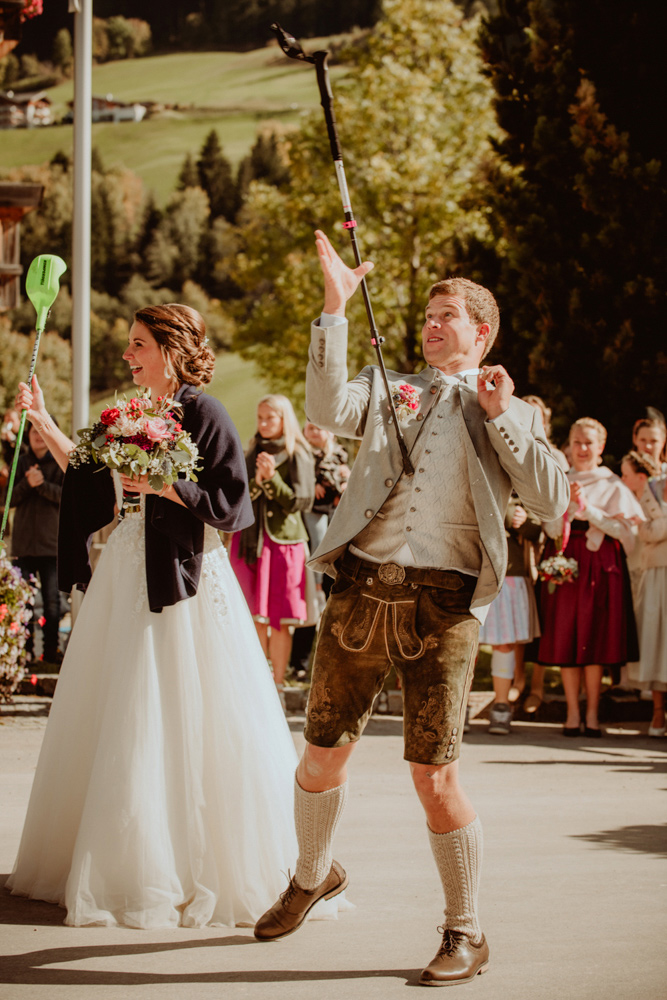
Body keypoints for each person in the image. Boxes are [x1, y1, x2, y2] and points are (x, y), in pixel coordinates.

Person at [253, 230, 569, 987]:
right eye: (427, 316)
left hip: (445, 605)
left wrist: (501, 414)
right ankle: (312, 876)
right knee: (320, 755)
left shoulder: (511, 408)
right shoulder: (389, 385)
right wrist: (334, 307)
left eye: (446, 316)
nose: (430, 326)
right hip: (360, 591)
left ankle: (466, 929)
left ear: (482, 333)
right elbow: (326, 406)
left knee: (435, 776)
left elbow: (551, 500)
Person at [6, 304, 300, 929]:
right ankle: (119, 858)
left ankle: (193, 866)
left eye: (138, 344)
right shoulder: (128, 414)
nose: (127, 356)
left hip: (188, 577)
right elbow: (88, 474)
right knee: (121, 705)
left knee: (193, 707)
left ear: (170, 349)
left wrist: (171, 488)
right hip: (126, 566)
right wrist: (44, 420)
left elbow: (232, 501)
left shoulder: (206, 413)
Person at [538, 418, 643, 737]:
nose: (582, 448)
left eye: (589, 442)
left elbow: (625, 533)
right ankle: (572, 713)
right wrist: (568, 508)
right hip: (567, 562)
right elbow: (550, 529)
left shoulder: (612, 484)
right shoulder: (560, 480)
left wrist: (588, 510)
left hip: (600, 565)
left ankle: (593, 714)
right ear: (569, 446)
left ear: (601, 447)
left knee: (595, 637)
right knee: (568, 637)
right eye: (577, 442)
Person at [230, 395, 314, 694]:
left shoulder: (298, 452)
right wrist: (260, 479)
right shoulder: (251, 450)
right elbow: (239, 496)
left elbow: (300, 502)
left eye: (270, 418)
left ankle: (276, 688)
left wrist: (271, 479)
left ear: (283, 419)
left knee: (280, 620)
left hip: (283, 543)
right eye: (260, 417)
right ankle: (256, 686)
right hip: (248, 542)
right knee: (253, 617)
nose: (263, 423)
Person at [290, 422, 350, 679]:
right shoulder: (302, 455)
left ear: (330, 431)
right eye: (309, 428)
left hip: (335, 530)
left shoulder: (339, 455)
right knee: (310, 603)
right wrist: (311, 484)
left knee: (332, 605)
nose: (314, 432)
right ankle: (299, 663)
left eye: (319, 428)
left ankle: (334, 662)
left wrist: (345, 484)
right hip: (312, 528)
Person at [479, 495, 542, 735]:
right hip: (471, 570)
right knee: (466, 647)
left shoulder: (521, 492)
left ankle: (501, 705)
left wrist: (524, 521)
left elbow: (538, 529)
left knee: (504, 644)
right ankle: (458, 706)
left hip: (509, 575)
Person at [10, 423, 64, 669]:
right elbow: (7, 499)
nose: (38, 437)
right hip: (24, 545)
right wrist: (27, 483)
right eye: (33, 432)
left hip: (51, 543)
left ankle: (51, 652)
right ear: (28, 436)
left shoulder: (61, 461)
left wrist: (41, 485)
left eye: (42, 432)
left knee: (52, 602)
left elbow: (66, 497)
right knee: (24, 602)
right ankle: (25, 651)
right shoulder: (20, 462)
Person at [626, 466, 667, 737]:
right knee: (657, 639)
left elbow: (655, 528)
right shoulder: (653, 486)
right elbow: (645, 532)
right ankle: (658, 710)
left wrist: (659, 523)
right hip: (656, 572)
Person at [632, 410, 667, 474]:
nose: (648, 446)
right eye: (643, 440)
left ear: (663, 442)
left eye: (654, 441)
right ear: (635, 439)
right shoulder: (621, 473)